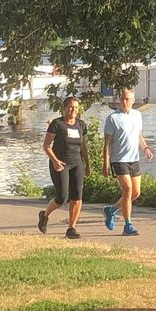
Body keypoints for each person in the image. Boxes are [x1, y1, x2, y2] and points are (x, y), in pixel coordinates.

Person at [38, 95, 91, 239]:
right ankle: (44, 214)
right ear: (65, 108)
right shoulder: (57, 124)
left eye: (75, 108)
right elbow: (46, 146)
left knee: (77, 197)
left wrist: (87, 164)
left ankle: (71, 228)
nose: (73, 110)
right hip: (60, 163)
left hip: (77, 163)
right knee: (62, 198)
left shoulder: (81, 125)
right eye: (70, 107)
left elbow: (84, 147)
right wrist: (55, 160)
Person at [100, 84, 148, 236]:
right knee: (127, 190)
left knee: (136, 193)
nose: (124, 101)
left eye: (128, 99)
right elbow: (107, 143)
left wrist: (146, 147)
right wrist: (106, 163)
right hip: (119, 160)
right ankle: (128, 225)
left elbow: (139, 135)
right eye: (122, 98)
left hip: (134, 158)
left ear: (133, 100)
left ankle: (111, 210)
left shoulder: (137, 115)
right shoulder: (113, 118)